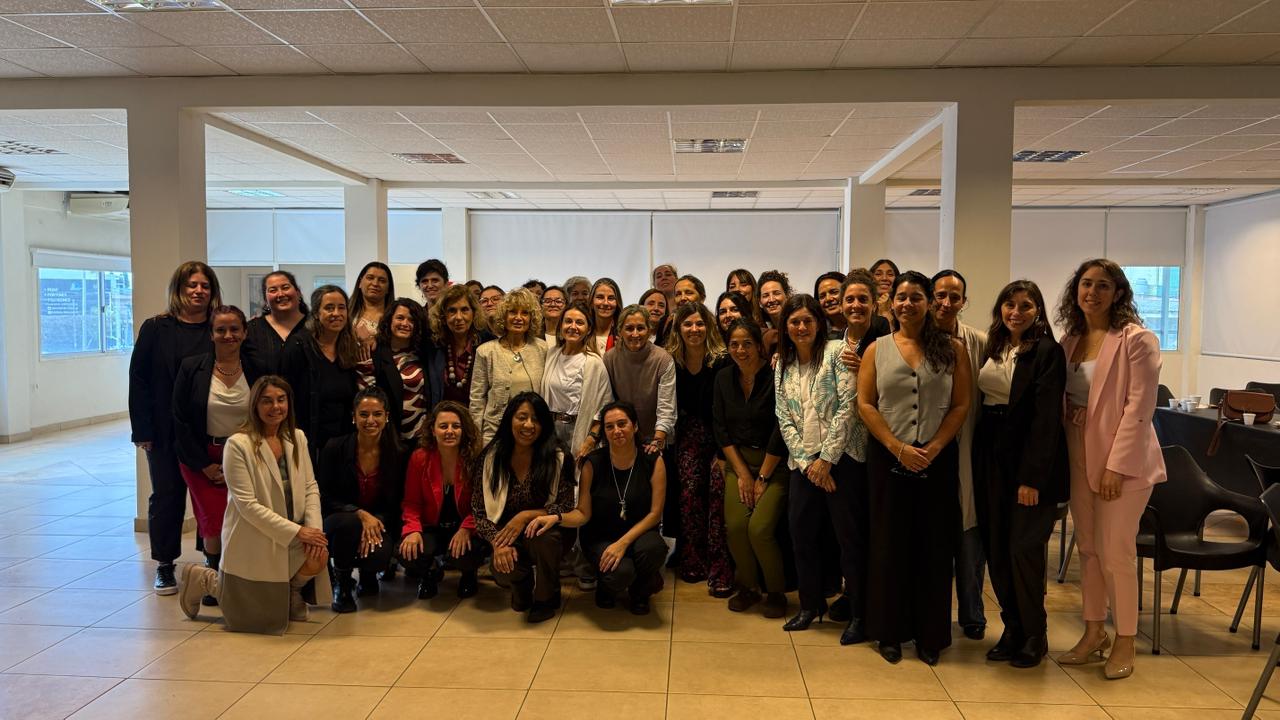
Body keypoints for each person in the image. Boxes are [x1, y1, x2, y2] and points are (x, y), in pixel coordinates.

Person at [1055, 259, 1166, 681]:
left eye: (1103, 286)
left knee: (1116, 552)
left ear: (1118, 292)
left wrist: (1116, 468)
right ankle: (1093, 632)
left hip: (1124, 464)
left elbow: (1139, 408)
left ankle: (1125, 640)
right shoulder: (1071, 340)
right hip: (1077, 452)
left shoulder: (1137, 340)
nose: (1092, 292)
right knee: (1088, 550)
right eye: (1086, 284)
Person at [858, 271, 972, 666]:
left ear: (929, 303)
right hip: (888, 459)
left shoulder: (953, 350)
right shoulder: (876, 349)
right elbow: (866, 404)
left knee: (934, 548)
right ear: (891, 304)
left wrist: (936, 445)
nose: (907, 304)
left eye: (916, 297)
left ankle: (930, 635)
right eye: (901, 297)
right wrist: (896, 446)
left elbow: (960, 404)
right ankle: (889, 631)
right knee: (889, 546)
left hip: (936, 460)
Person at [178, 376, 329, 634]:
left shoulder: (297, 438)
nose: (275, 407)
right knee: (250, 619)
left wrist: (313, 530)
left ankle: (291, 594)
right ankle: (206, 580)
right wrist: (298, 532)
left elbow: (310, 486)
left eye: (281, 400)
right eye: (267, 401)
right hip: (254, 535)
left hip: (292, 532)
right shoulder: (238, 444)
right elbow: (247, 505)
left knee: (319, 556)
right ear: (255, 406)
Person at [976, 280, 1069, 669]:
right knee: (997, 549)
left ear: (1038, 311)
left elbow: (1047, 420)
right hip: (990, 457)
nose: (1016, 312)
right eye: (1009, 304)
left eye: (1026, 306)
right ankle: (1012, 628)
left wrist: (1031, 478)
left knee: (1023, 552)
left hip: (1030, 465)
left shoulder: (1047, 351)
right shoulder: (993, 347)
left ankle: (1035, 634)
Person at [774, 295, 862, 645]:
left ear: (819, 323)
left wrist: (826, 460)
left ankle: (859, 612)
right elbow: (783, 417)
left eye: (807, 320)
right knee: (802, 535)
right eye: (794, 321)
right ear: (786, 327)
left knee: (849, 540)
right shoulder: (783, 362)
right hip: (804, 466)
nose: (801, 327)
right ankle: (810, 606)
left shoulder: (837, 353)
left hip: (842, 463)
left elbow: (848, 407)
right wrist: (809, 462)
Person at [130, 260, 221, 594]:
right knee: (167, 496)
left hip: (206, 428)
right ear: (179, 290)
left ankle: (212, 560)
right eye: (191, 285)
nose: (198, 291)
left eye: (204, 286)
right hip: (164, 430)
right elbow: (138, 379)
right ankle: (165, 565)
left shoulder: (218, 326)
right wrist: (142, 431)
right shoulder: (156, 328)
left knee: (209, 495)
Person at [527, 401, 668, 615]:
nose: (616, 431)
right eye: (609, 426)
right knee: (620, 573)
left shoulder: (652, 460)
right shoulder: (592, 463)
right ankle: (607, 585)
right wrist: (555, 517)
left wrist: (622, 543)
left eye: (622, 424)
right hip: (600, 537)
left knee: (654, 549)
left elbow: (655, 514)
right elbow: (583, 513)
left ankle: (641, 591)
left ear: (635, 426)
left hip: (640, 534)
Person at [472, 392, 576, 623]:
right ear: (510, 419)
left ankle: (546, 596)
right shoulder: (491, 457)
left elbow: (567, 505)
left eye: (536, 419)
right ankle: (523, 583)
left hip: (548, 532)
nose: (528, 425)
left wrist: (526, 516)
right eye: (522, 417)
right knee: (501, 570)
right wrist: (497, 544)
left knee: (544, 540)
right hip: (507, 534)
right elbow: (478, 511)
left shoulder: (558, 457)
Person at [172, 305, 250, 606]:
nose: (228, 335)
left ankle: (239, 576)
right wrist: (204, 464)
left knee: (242, 518)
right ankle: (214, 577)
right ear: (211, 333)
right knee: (213, 520)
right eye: (221, 330)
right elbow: (179, 419)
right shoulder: (192, 367)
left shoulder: (256, 366)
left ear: (244, 332)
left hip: (245, 454)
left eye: (234, 329)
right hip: (202, 457)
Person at [715, 318, 789, 618]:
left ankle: (776, 591)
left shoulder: (777, 376)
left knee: (759, 529)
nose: (741, 350)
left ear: (759, 346)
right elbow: (720, 428)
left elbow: (781, 427)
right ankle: (747, 586)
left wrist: (762, 477)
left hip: (775, 464)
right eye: (734, 344)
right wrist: (743, 474)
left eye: (747, 343)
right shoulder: (722, 378)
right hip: (739, 464)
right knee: (735, 527)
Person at [932, 269, 988, 642]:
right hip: (927, 448)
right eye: (940, 295)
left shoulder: (980, 343)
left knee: (970, 536)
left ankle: (972, 613)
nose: (946, 303)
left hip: (968, 446)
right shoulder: (910, 340)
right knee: (932, 537)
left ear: (964, 302)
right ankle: (932, 615)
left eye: (955, 297)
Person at [318, 387, 407, 612]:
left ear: (387, 417)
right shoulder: (334, 448)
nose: (370, 420)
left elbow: (398, 501)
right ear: (353, 417)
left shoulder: (399, 453)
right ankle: (343, 584)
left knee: (378, 556)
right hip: (339, 520)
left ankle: (368, 576)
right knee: (349, 524)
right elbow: (325, 496)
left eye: (377, 414)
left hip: (380, 521)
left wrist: (374, 522)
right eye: (364, 414)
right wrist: (360, 514)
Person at [667, 302, 732, 595]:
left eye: (699, 324)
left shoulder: (723, 361)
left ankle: (720, 564)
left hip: (721, 436)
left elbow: (727, 410)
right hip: (688, 437)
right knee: (690, 493)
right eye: (688, 324)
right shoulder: (671, 361)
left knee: (718, 492)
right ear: (678, 329)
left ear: (709, 326)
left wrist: (724, 451)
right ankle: (692, 557)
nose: (694, 330)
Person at [400, 401, 487, 600]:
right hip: (432, 526)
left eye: (456, 426)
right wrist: (412, 531)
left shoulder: (476, 458)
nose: (450, 431)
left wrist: (467, 528)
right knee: (407, 551)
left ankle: (468, 574)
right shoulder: (419, 458)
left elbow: (482, 504)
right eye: (443, 426)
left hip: (465, 527)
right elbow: (411, 502)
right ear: (433, 429)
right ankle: (430, 572)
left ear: (464, 430)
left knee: (467, 552)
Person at [282, 285, 359, 465]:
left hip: (344, 442)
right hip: (310, 443)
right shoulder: (299, 347)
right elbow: (287, 395)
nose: (336, 313)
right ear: (316, 313)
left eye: (341, 307)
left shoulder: (348, 347)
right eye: (329, 308)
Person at [471, 288, 548, 444]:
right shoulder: (485, 351)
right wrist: (476, 437)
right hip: (494, 432)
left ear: (531, 318)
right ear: (503, 317)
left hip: (532, 431)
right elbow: (477, 399)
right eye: (513, 312)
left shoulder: (542, 349)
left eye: (525, 313)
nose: (518, 318)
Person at [543, 303, 613, 461]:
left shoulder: (594, 363)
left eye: (579, 323)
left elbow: (604, 408)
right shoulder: (551, 355)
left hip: (578, 429)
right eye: (568, 321)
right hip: (550, 430)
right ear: (561, 325)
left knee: (577, 481)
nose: (573, 327)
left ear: (588, 329)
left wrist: (590, 440)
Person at [603, 305, 676, 455]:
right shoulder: (610, 358)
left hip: (656, 437)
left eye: (640, 328)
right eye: (629, 328)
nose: (635, 334)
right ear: (620, 331)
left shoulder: (663, 359)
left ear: (649, 330)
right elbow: (607, 401)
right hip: (623, 437)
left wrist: (657, 440)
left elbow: (667, 408)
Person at [371, 298, 430, 443]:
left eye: (411, 320)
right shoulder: (374, 353)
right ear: (389, 320)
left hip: (422, 438)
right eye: (400, 318)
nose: (405, 324)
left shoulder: (424, 353)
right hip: (389, 437)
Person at [429, 284, 490, 407]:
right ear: (443, 316)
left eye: (464, 310)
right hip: (444, 419)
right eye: (452, 310)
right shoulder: (434, 346)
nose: (458, 317)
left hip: (478, 419)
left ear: (474, 313)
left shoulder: (488, 344)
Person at [242, 270, 307, 380]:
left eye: (285, 287)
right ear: (265, 300)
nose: (281, 294)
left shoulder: (315, 327)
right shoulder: (251, 331)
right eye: (273, 290)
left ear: (298, 292)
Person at [350, 261, 394, 357]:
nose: (375, 283)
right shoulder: (346, 314)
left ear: (388, 288)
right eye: (370, 278)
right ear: (360, 283)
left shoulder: (396, 317)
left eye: (382, 280)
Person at [757, 270, 791, 357]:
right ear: (760, 302)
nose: (771, 299)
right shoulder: (761, 330)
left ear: (787, 295)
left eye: (776, 293)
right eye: (765, 296)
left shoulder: (797, 323)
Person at [590, 277, 622, 351]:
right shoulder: (582, 334)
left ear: (617, 303)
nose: (605, 303)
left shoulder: (624, 335)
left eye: (611, 298)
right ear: (591, 302)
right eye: (600, 297)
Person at [815, 271, 847, 339]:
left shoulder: (862, 325)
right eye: (822, 296)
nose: (828, 299)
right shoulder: (817, 334)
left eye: (834, 292)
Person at [869, 259, 900, 326]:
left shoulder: (901, 307)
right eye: (878, 274)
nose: (884, 278)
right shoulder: (865, 307)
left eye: (890, 274)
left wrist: (885, 313)